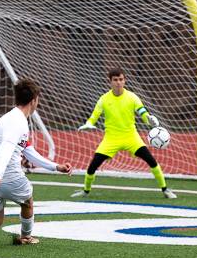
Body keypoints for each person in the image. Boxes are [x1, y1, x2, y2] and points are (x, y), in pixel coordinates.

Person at [0, 78, 72, 250]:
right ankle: (26, 236)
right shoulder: (18, 122)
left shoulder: (8, 118)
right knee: (28, 202)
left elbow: (28, 151)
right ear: (34, 100)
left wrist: (55, 167)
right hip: (6, 175)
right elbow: (6, 148)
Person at [72, 68, 177, 199]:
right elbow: (94, 116)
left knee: (151, 161)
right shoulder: (103, 99)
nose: (118, 82)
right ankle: (85, 191)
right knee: (93, 165)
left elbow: (142, 112)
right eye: (115, 80)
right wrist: (89, 123)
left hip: (131, 137)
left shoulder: (132, 97)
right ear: (109, 81)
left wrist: (149, 119)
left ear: (124, 80)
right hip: (111, 139)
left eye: (121, 79)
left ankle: (165, 190)